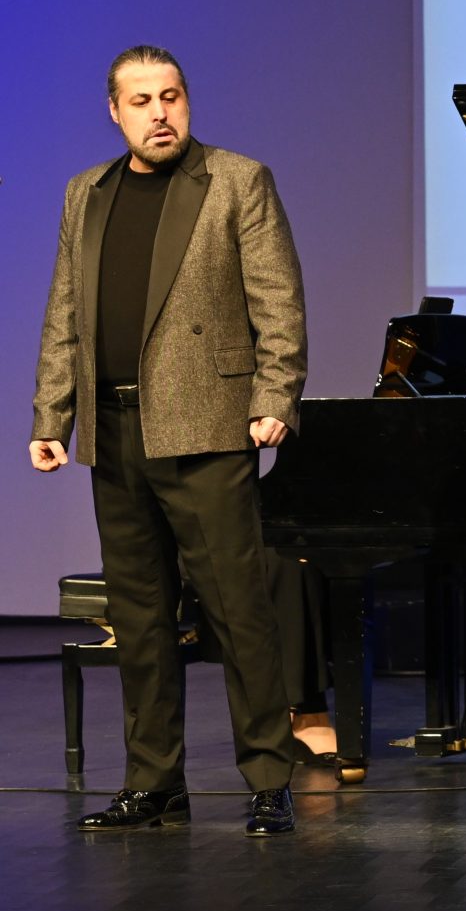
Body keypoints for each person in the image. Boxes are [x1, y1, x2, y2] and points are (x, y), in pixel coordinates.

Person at [28, 46, 307, 836]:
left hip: (207, 426)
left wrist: (275, 395)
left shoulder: (236, 180)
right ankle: (154, 782)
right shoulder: (86, 191)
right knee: (140, 615)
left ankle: (268, 777)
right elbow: (64, 313)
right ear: (115, 112)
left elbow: (280, 301)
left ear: (187, 102)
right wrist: (51, 416)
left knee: (238, 608)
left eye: (172, 96)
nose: (160, 113)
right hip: (114, 430)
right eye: (143, 100)